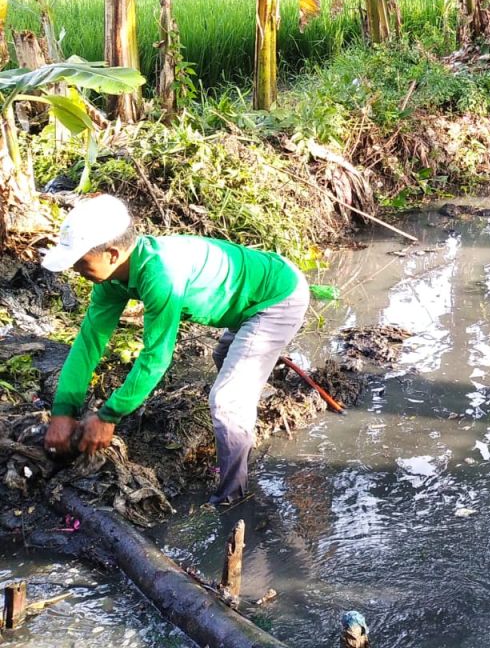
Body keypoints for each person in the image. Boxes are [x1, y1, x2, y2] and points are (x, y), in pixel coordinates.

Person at [42, 195, 311, 504]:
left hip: (277, 297)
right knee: (223, 358)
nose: (75, 269)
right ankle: (250, 404)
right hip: (248, 296)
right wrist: (63, 412)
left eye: (80, 261)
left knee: (225, 402)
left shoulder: (161, 274)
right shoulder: (111, 280)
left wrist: (108, 414)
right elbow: (89, 343)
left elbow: (156, 358)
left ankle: (232, 499)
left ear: (112, 253)